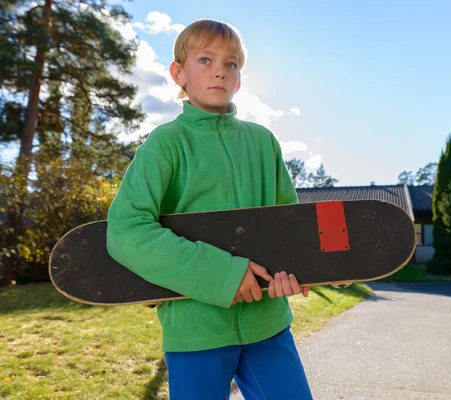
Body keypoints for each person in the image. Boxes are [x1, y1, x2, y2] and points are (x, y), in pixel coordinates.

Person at [106, 18, 313, 400]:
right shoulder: (165, 144)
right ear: (178, 73)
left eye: (231, 64)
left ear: (239, 78)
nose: (220, 70)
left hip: (269, 325)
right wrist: (221, 275)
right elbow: (126, 230)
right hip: (194, 330)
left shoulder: (263, 142)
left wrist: (293, 271)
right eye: (205, 60)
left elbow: (288, 225)